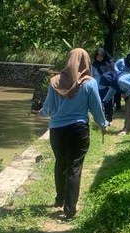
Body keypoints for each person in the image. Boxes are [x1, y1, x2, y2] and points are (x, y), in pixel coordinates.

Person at [40, 48, 109, 219]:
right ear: (86, 62)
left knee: (61, 163)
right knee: (74, 167)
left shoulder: (55, 81)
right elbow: (96, 108)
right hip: (78, 130)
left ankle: (59, 199)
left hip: (56, 130)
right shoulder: (89, 83)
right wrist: (103, 124)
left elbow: (48, 107)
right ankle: (69, 210)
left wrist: (40, 113)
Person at [99, 70, 130, 135]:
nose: (107, 86)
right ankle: (127, 128)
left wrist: (126, 95)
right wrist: (104, 101)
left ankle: (126, 130)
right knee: (127, 109)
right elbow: (111, 92)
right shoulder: (113, 82)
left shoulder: (120, 81)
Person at [91, 47, 116, 123]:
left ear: (104, 56)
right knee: (99, 104)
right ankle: (101, 120)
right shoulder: (93, 65)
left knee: (108, 103)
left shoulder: (110, 64)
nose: (99, 58)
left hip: (108, 87)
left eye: (101, 56)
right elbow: (91, 76)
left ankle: (109, 119)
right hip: (97, 88)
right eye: (98, 56)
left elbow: (114, 75)